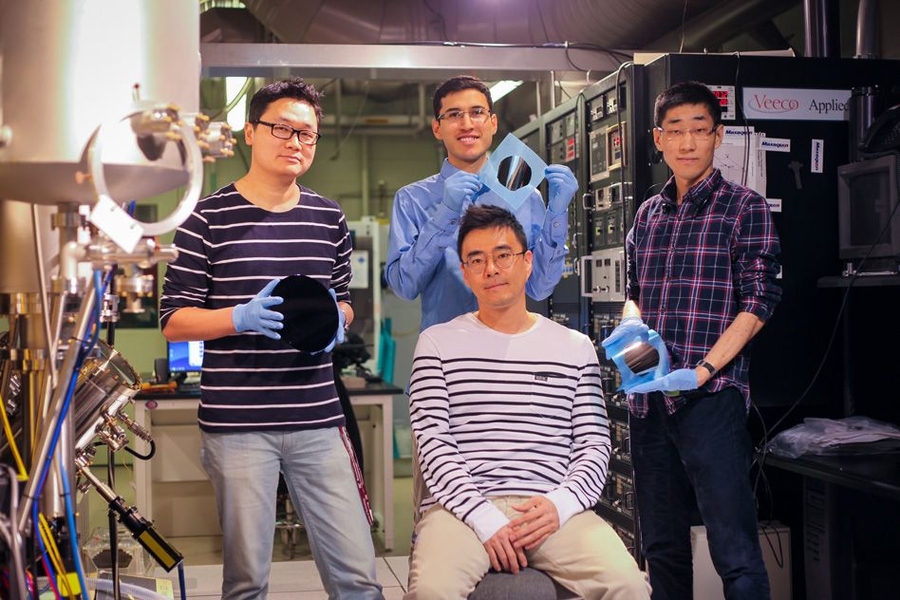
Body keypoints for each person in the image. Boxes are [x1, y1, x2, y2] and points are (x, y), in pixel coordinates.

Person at [159, 78, 383, 600]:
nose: (295, 142)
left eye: (307, 133)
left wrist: (337, 319)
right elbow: (174, 319)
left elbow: (345, 298)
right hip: (238, 427)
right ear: (249, 133)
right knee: (247, 581)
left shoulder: (329, 218)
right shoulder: (204, 219)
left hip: (318, 420)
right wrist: (239, 318)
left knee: (357, 574)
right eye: (281, 129)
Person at [405, 204, 651, 600]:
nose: (491, 269)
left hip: (550, 507)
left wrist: (560, 503)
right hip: (461, 509)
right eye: (477, 260)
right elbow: (433, 446)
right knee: (433, 590)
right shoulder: (436, 343)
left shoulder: (574, 347)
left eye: (503, 255)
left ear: (527, 262)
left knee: (628, 586)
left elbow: (593, 444)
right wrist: (482, 517)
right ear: (465, 273)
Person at [601, 80, 782, 600]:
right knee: (661, 547)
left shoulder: (743, 208)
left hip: (712, 400)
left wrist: (705, 369)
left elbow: (760, 301)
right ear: (658, 139)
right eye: (675, 131)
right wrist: (632, 334)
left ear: (717, 136)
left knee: (736, 552)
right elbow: (634, 294)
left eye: (699, 131)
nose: (686, 143)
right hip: (650, 404)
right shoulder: (646, 216)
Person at [384, 74, 578, 332]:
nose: (466, 124)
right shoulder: (412, 199)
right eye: (453, 115)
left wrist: (557, 212)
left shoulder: (525, 194)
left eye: (477, 112)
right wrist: (445, 215)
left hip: (512, 348)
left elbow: (540, 287)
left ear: (493, 122)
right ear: (437, 128)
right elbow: (404, 287)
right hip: (447, 352)